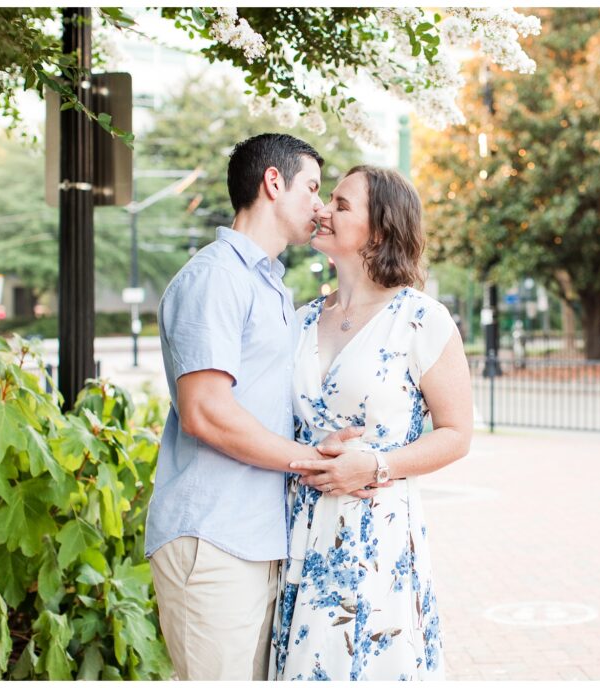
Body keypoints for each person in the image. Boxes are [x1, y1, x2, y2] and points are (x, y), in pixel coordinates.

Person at [144, 133, 365, 680]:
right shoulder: (216, 276)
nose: (320, 205)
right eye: (312, 188)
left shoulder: (269, 285)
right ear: (273, 183)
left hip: (261, 540)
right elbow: (206, 412)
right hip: (213, 539)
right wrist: (312, 461)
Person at [270, 166, 473, 680]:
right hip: (299, 534)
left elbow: (457, 434)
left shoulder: (422, 320)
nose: (322, 210)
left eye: (341, 204)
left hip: (376, 540)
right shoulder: (298, 320)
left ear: (379, 229)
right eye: (327, 199)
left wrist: (377, 465)